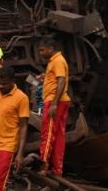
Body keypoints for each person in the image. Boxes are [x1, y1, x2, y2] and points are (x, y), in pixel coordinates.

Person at [37, 37, 70, 176]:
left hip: (54, 101)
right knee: (58, 137)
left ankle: (43, 167)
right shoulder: (56, 61)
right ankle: (57, 170)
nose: (40, 53)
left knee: (48, 134)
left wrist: (54, 103)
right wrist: (46, 78)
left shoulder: (57, 61)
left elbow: (61, 81)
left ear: (51, 48)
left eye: (42, 50)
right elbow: (58, 79)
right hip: (60, 101)